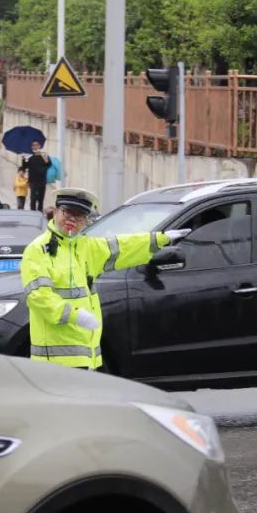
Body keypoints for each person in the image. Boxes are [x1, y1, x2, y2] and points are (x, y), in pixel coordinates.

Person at [20, 188, 189, 371]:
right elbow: (39, 296)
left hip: (85, 352)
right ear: (56, 211)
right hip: (55, 358)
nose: (72, 220)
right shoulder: (38, 250)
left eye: (80, 216)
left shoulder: (85, 246)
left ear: (86, 221)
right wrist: (76, 316)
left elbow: (123, 247)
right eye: (68, 212)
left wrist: (159, 239)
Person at [19, 141, 51, 212]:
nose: (35, 146)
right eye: (33, 145)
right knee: (33, 199)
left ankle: (40, 213)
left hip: (42, 180)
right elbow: (24, 166)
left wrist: (44, 158)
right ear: (31, 147)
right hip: (32, 181)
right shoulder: (28, 156)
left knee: (41, 199)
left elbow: (49, 164)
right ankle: (32, 213)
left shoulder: (44, 155)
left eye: (36, 145)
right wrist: (22, 166)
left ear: (40, 146)